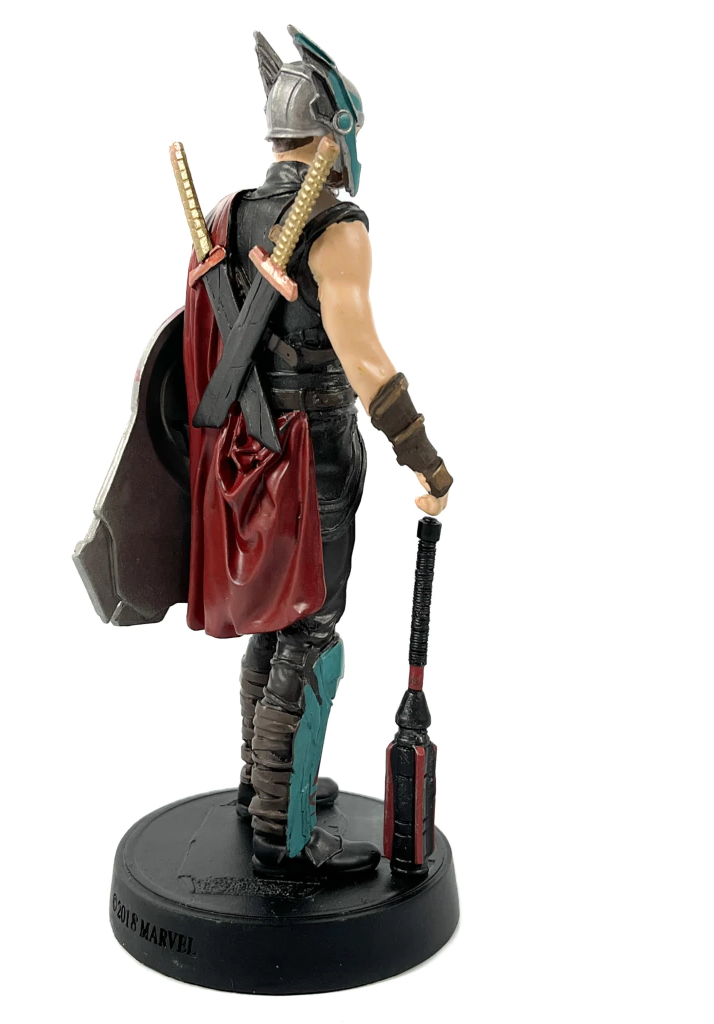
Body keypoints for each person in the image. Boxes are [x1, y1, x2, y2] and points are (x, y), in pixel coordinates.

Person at [181, 27, 453, 880]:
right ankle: (283, 832)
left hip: (249, 453)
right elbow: (364, 360)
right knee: (312, 630)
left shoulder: (229, 216)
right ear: (336, 131)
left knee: (278, 618)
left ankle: (262, 784)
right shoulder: (337, 229)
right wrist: (424, 457)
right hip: (312, 457)